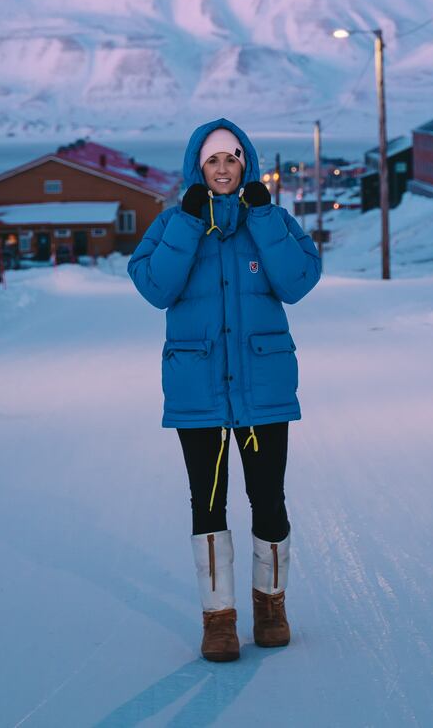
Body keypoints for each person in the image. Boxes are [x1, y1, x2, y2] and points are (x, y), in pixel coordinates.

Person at [128, 119, 321, 662]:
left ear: (246, 165)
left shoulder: (273, 220)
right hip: (199, 391)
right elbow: (156, 287)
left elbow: (298, 282)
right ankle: (219, 619)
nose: (222, 169)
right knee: (208, 503)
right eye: (212, 161)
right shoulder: (173, 222)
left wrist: (262, 217)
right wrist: (189, 225)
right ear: (198, 167)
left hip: (263, 389)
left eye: (231, 159)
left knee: (269, 499)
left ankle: (270, 608)